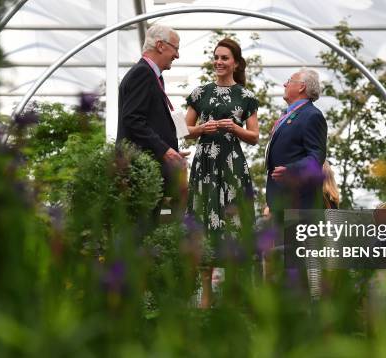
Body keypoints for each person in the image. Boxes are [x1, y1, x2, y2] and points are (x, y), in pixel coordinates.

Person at [184, 38, 259, 308]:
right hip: (204, 165)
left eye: (225, 58)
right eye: (216, 57)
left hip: (232, 166)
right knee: (204, 222)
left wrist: (234, 129)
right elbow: (185, 130)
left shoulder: (246, 97)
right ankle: (204, 296)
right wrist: (203, 129)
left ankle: (233, 293)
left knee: (234, 223)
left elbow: (254, 136)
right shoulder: (199, 93)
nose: (219, 62)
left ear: (235, 63)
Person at [116, 25, 187, 220]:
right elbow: (132, 119)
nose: (177, 55)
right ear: (160, 45)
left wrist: (169, 150)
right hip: (141, 171)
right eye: (176, 48)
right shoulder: (143, 73)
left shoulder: (151, 75)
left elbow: (146, 120)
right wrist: (164, 150)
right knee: (144, 228)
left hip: (150, 168)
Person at [266, 68, 328, 217]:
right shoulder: (290, 115)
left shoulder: (312, 115)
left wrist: (291, 170)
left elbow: (316, 157)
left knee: (296, 242)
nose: (284, 84)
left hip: (299, 203)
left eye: (289, 81)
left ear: (301, 87)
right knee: (283, 241)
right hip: (282, 200)